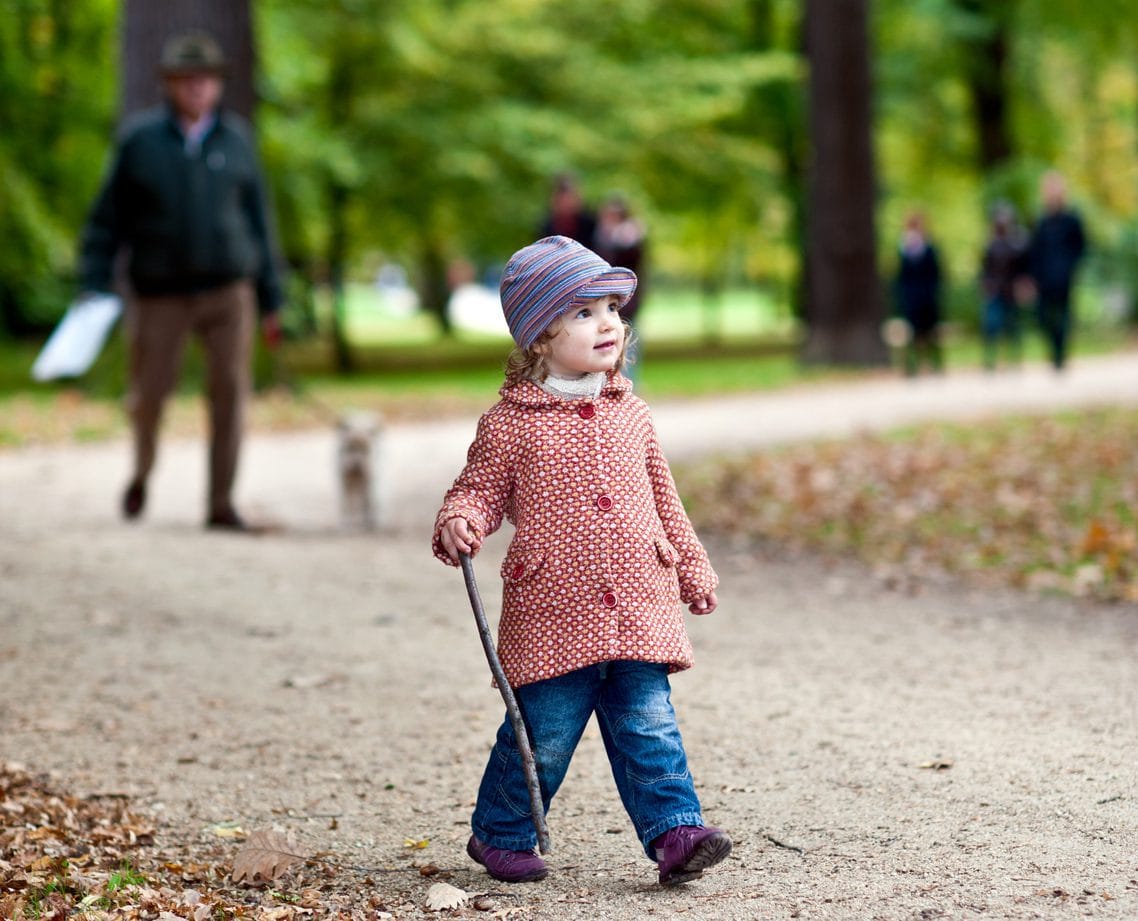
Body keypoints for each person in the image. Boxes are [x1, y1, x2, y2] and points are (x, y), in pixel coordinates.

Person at [431, 235, 731, 888]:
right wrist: (461, 520)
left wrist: (692, 567)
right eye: (585, 312)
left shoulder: (634, 415)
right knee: (544, 731)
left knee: (649, 722)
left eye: (612, 310)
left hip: (639, 600)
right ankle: (500, 831)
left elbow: (664, 499)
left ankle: (676, 830)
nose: (609, 325)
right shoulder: (512, 423)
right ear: (540, 335)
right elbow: (478, 488)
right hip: (553, 610)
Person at [78, 30, 284, 531]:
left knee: (230, 396)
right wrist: (96, 279)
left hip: (228, 291)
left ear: (217, 85)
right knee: (148, 396)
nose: (196, 88)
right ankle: (141, 473)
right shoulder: (140, 141)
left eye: (205, 79)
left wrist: (273, 296)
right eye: (186, 79)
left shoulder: (237, 140)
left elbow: (260, 221)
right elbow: (107, 220)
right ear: (170, 84)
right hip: (158, 294)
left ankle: (220, 502)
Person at [1027, 171, 1087, 371]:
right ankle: (1055, 350)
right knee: (1042, 316)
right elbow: (1034, 251)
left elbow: (1081, 246)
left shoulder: (1072, 219)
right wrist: (1031, 277)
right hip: (1043, 278)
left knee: (1063, 317)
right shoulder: (1041, 221)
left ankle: (1060, 355)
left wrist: (1071, 266)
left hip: (1064, 277)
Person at [979, 203, 1029, 370]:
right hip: (995, 291)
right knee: (992, 325)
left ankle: (1014, 359)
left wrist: (1023, 285)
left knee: (1012, 326)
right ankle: (990, 360)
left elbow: (1022, 267)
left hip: (1011, 291)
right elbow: (985, 269)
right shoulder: (990, 244)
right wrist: (986, 285)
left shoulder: (1016, 243)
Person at [894, 211, 944, 376]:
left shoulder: (929, 247)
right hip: (912, 297)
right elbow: (901, 276)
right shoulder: (904, 248)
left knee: (931, 332)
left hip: (928, 296)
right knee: (913, 333)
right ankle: (913, 365)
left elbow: (936, 273)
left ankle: (935, 363)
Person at [538, 173, 596, 246]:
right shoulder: (546, 225)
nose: (567, 203)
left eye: (570, 198)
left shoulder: (590, 223)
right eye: (562, 200)